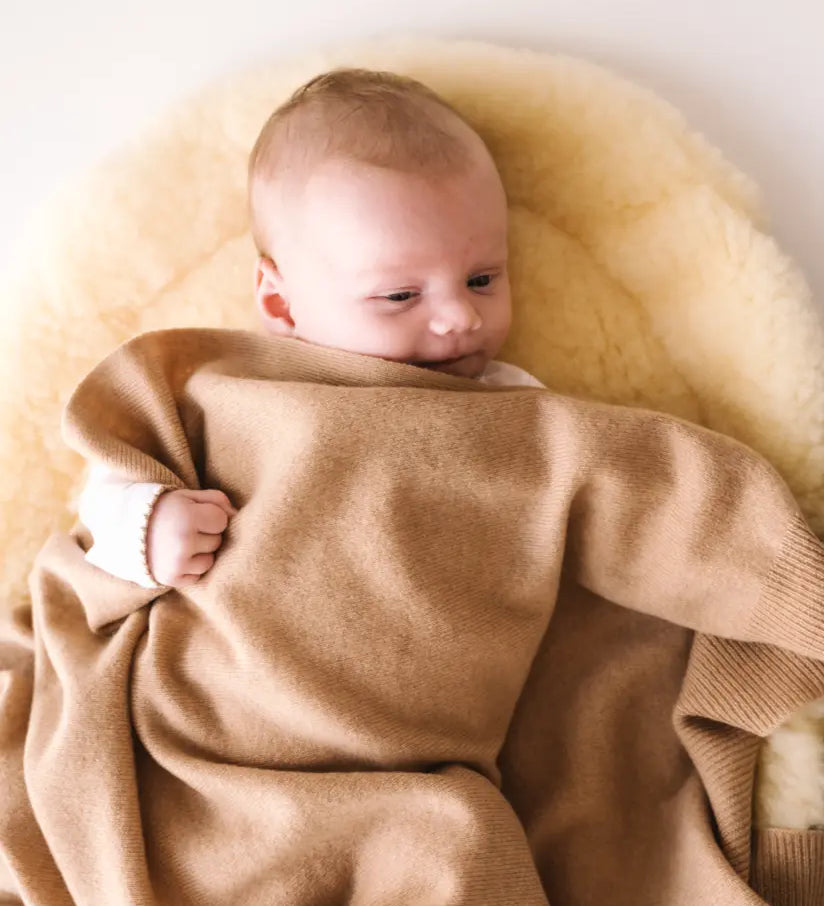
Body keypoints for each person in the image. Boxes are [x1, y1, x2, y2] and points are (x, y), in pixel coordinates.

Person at [78, 67, 544, 589]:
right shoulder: (235, 396)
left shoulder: (515, 404)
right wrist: (150, 528)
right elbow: (103, 498)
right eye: (399, 295)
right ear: (281, 303)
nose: (462, 316)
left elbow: (590, 484)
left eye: (481, 279)